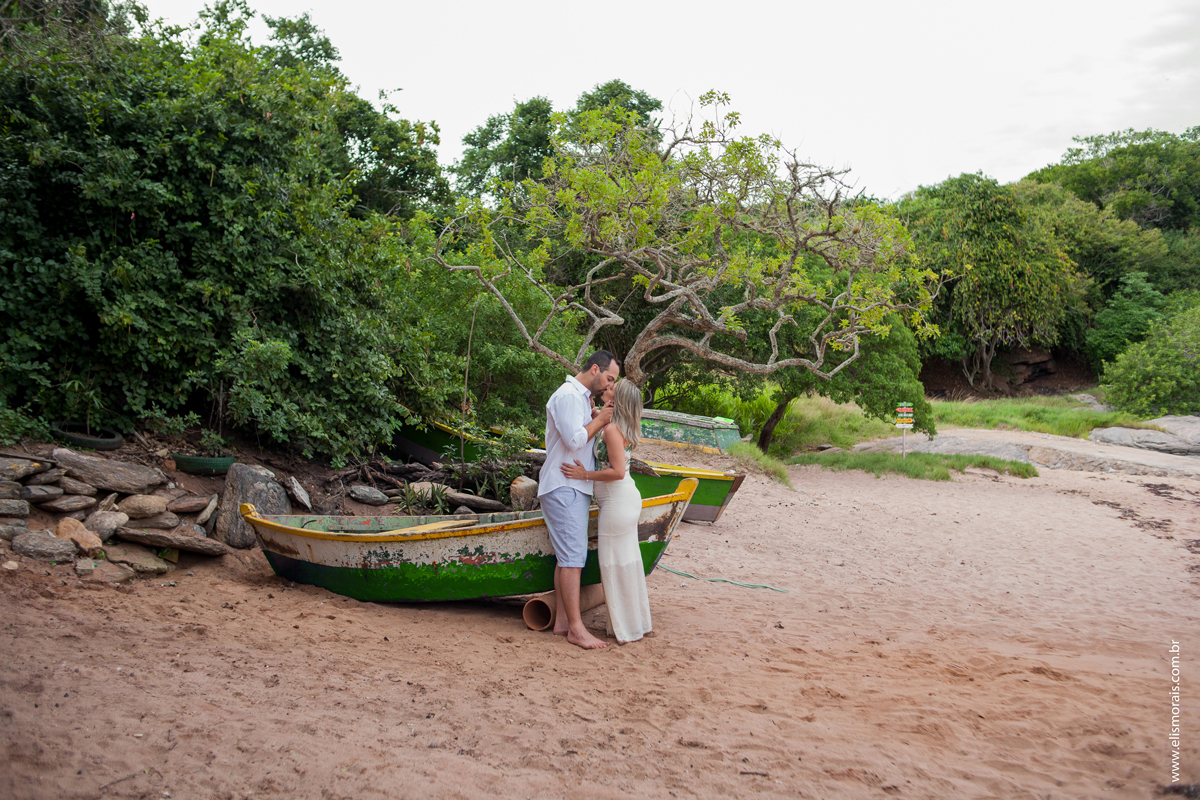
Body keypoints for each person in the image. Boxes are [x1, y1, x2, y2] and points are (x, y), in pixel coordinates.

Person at [537, 351, 620, 650]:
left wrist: (597, 417)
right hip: (565, 485)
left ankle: (562, 622)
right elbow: (574, 441)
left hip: (571, 485)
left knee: (567, 559)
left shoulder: (582, 399)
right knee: (573, 560)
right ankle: (576, 629)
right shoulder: (569, 396)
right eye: (609, 378)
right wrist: (602, 420)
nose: (609, 385)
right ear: (595, 369)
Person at [561, 380, 652, 644]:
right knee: (626, 561)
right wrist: (595, 413)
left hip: (617, 501)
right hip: (622, 500)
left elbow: (618, 472)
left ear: (617, 400)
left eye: (612, 389)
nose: (606, 389)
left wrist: (585, 475)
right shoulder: (616, 425)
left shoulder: (612, 430)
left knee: (612, 563)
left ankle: (625, 628)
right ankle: (634, 624)